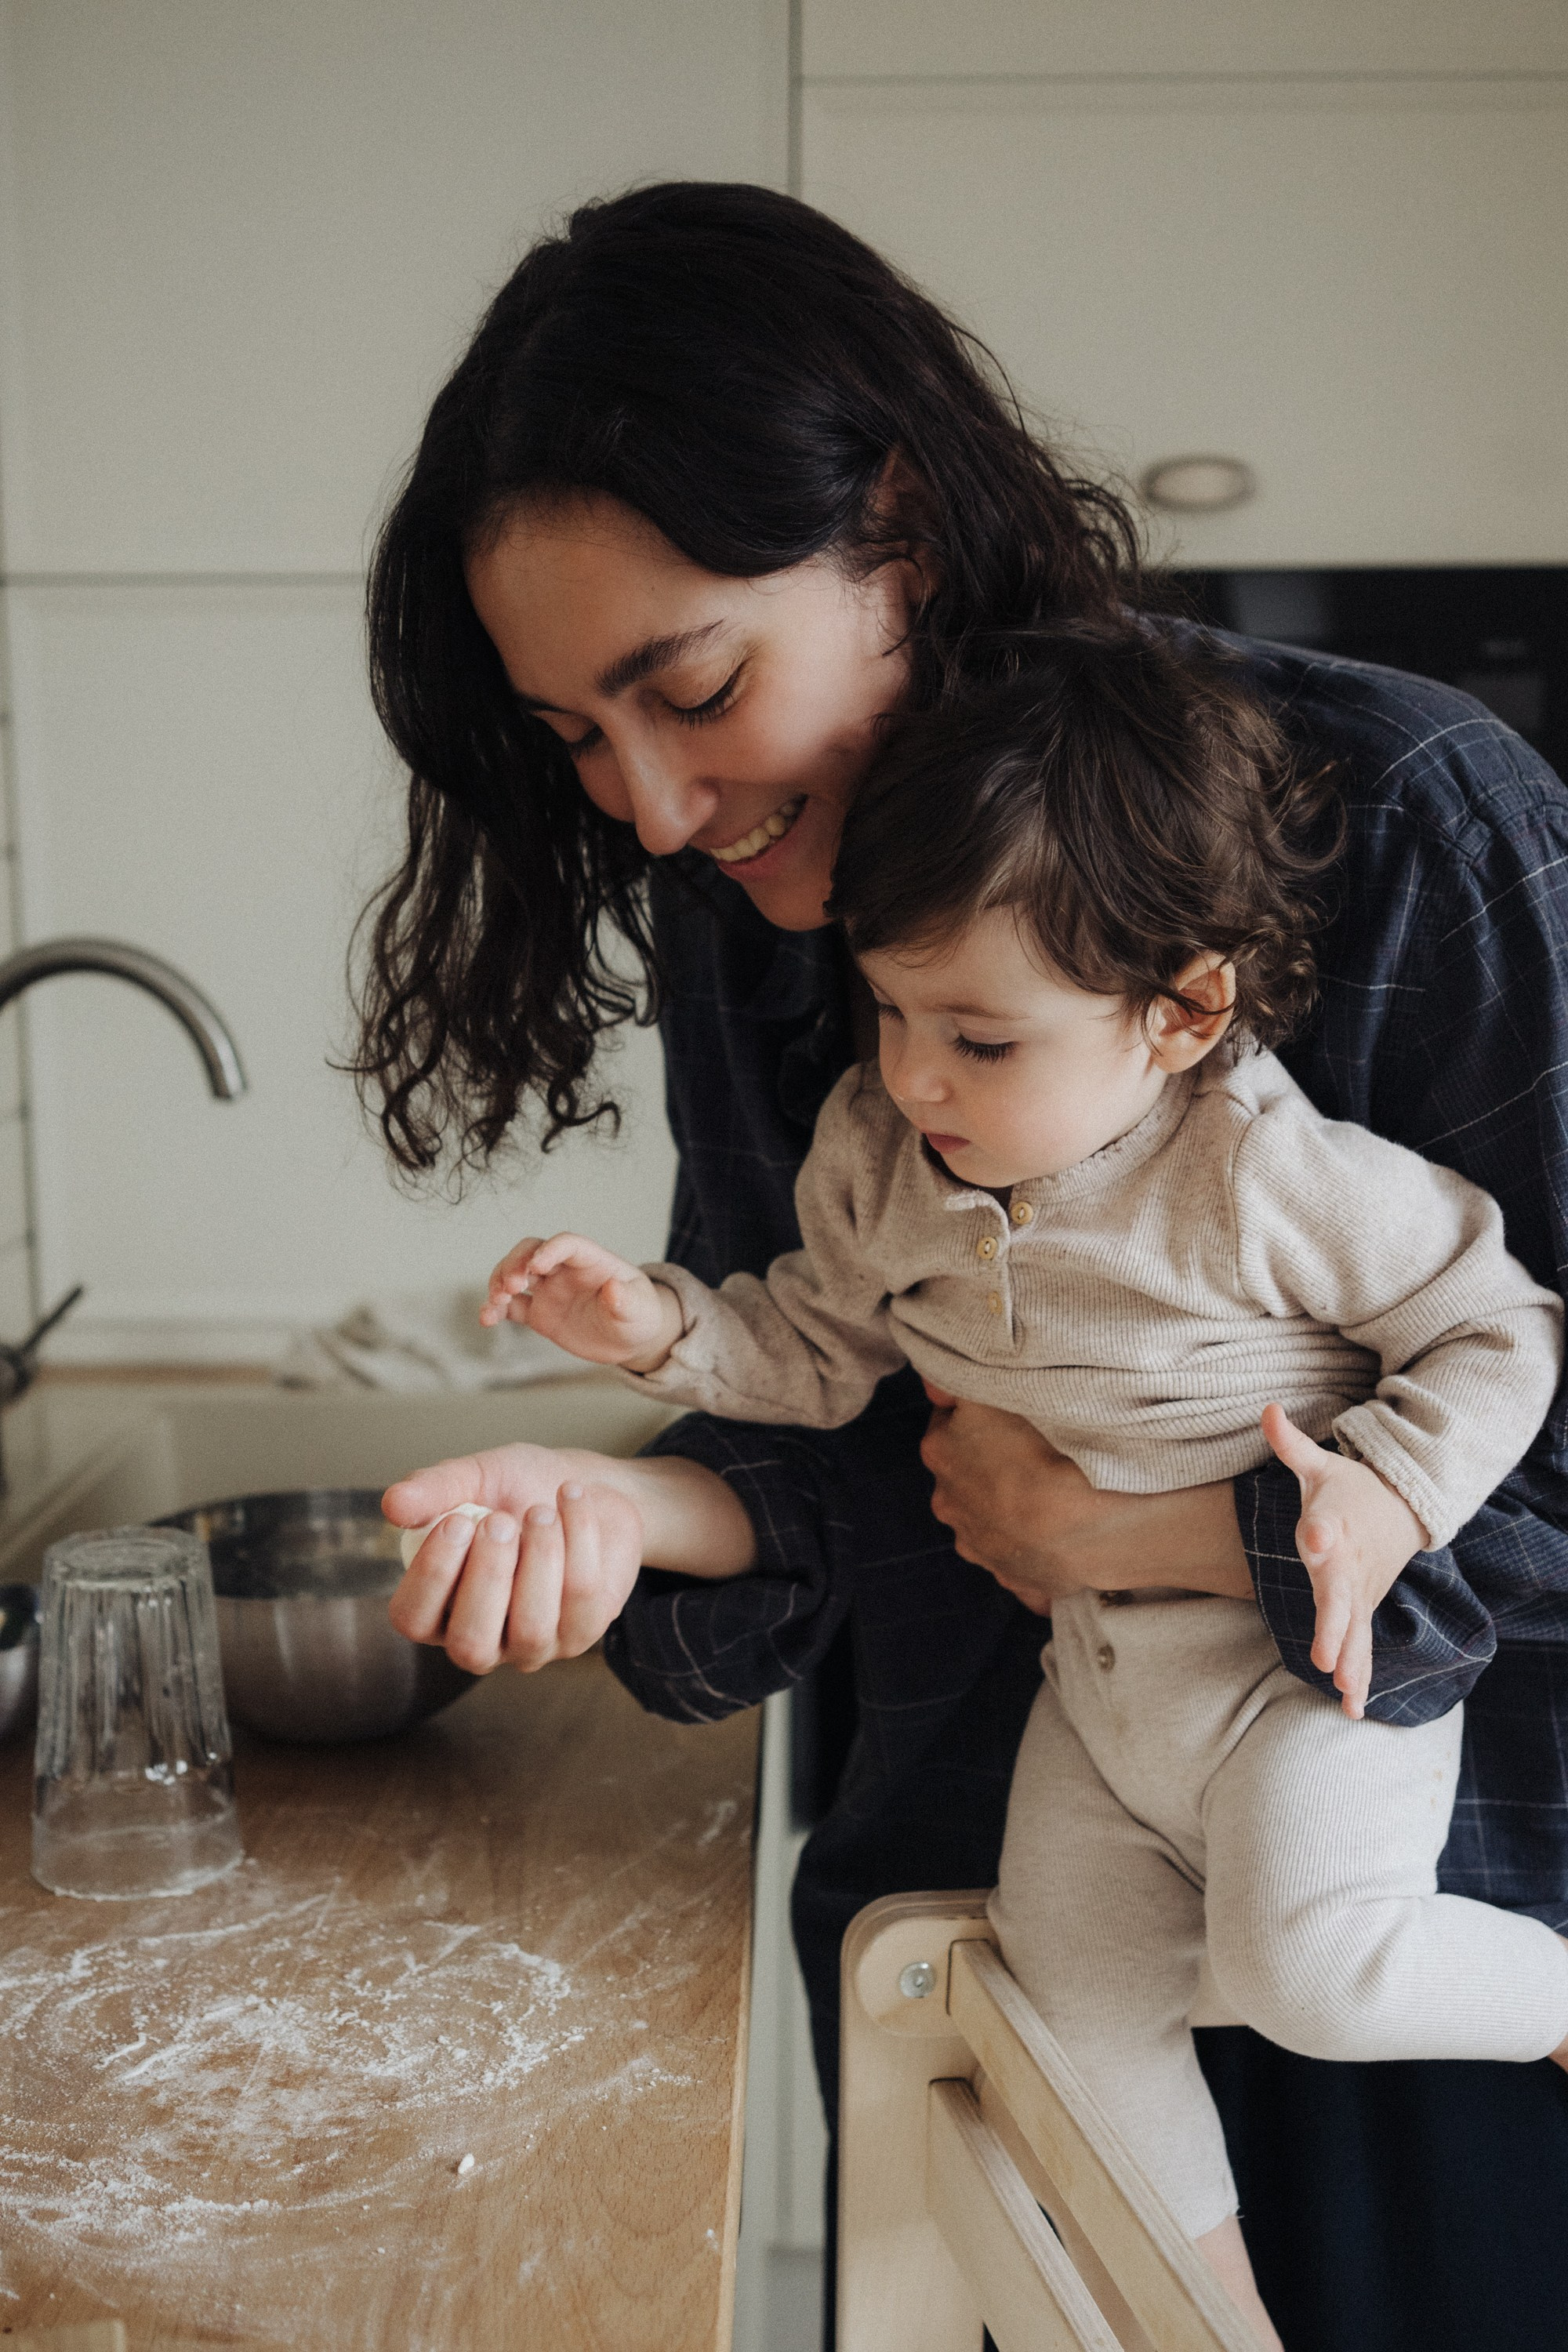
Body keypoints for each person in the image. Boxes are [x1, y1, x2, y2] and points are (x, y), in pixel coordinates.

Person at [358, 181, 1568, 2351]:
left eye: (693, 687)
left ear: (900, 530)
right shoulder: (756, 912)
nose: (655, 810)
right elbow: (835, 1407)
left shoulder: (1404, 821)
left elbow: (1525, 1385)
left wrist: (1172, 1536)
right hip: (983, 1923)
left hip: (1426, 1947)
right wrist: (622, 1506)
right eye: (578, 744)